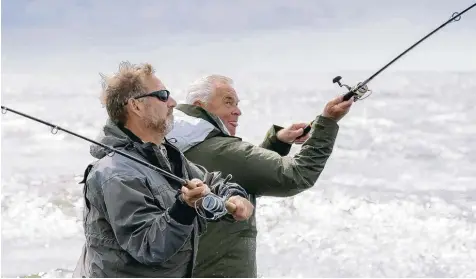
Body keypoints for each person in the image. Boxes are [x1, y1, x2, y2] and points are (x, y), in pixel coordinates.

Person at [73, 64, 254, 278]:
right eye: (163, 96)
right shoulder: (115, 174)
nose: (173, 103)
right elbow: (149, 246)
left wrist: (236, 198)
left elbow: (213, 182)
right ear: (136, 106)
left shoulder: (166, 156)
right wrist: (185, 207)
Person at [165, 75, 354, 277]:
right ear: (199, 105)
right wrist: (327, 122)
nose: (238, 111)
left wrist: (277, 143)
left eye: (237, 104)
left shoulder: (171, 145)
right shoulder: (223, 151)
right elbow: (297, 175)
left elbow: (237, 174)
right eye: (228, 102)